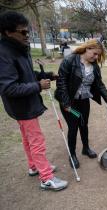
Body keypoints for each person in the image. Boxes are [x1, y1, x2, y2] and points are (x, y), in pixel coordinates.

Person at [0, 11, 68, 191]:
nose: (27, 35)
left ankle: (34, 166)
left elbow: (26, 75)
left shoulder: (19, 48)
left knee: (28, 139)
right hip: (22, 106)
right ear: (8, 32)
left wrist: (46, 76)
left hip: (24, 105)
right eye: (22, 32)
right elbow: (9, 88)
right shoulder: (4, 54)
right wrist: (39, 86)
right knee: (36, 140)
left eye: (28, 31)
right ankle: (46, 178)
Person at [55, 39, 107, 168]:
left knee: (84, 124)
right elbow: (62, 83)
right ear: (87, 49)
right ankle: (72, 155)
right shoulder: (69, 61)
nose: (96, 57)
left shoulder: (94, 66)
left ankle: (85, 148)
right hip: (69, 102)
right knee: (73, 127)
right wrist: (66, 103)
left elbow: (100, 85)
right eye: (94, 53)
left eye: (98, 55)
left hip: (84, 100)